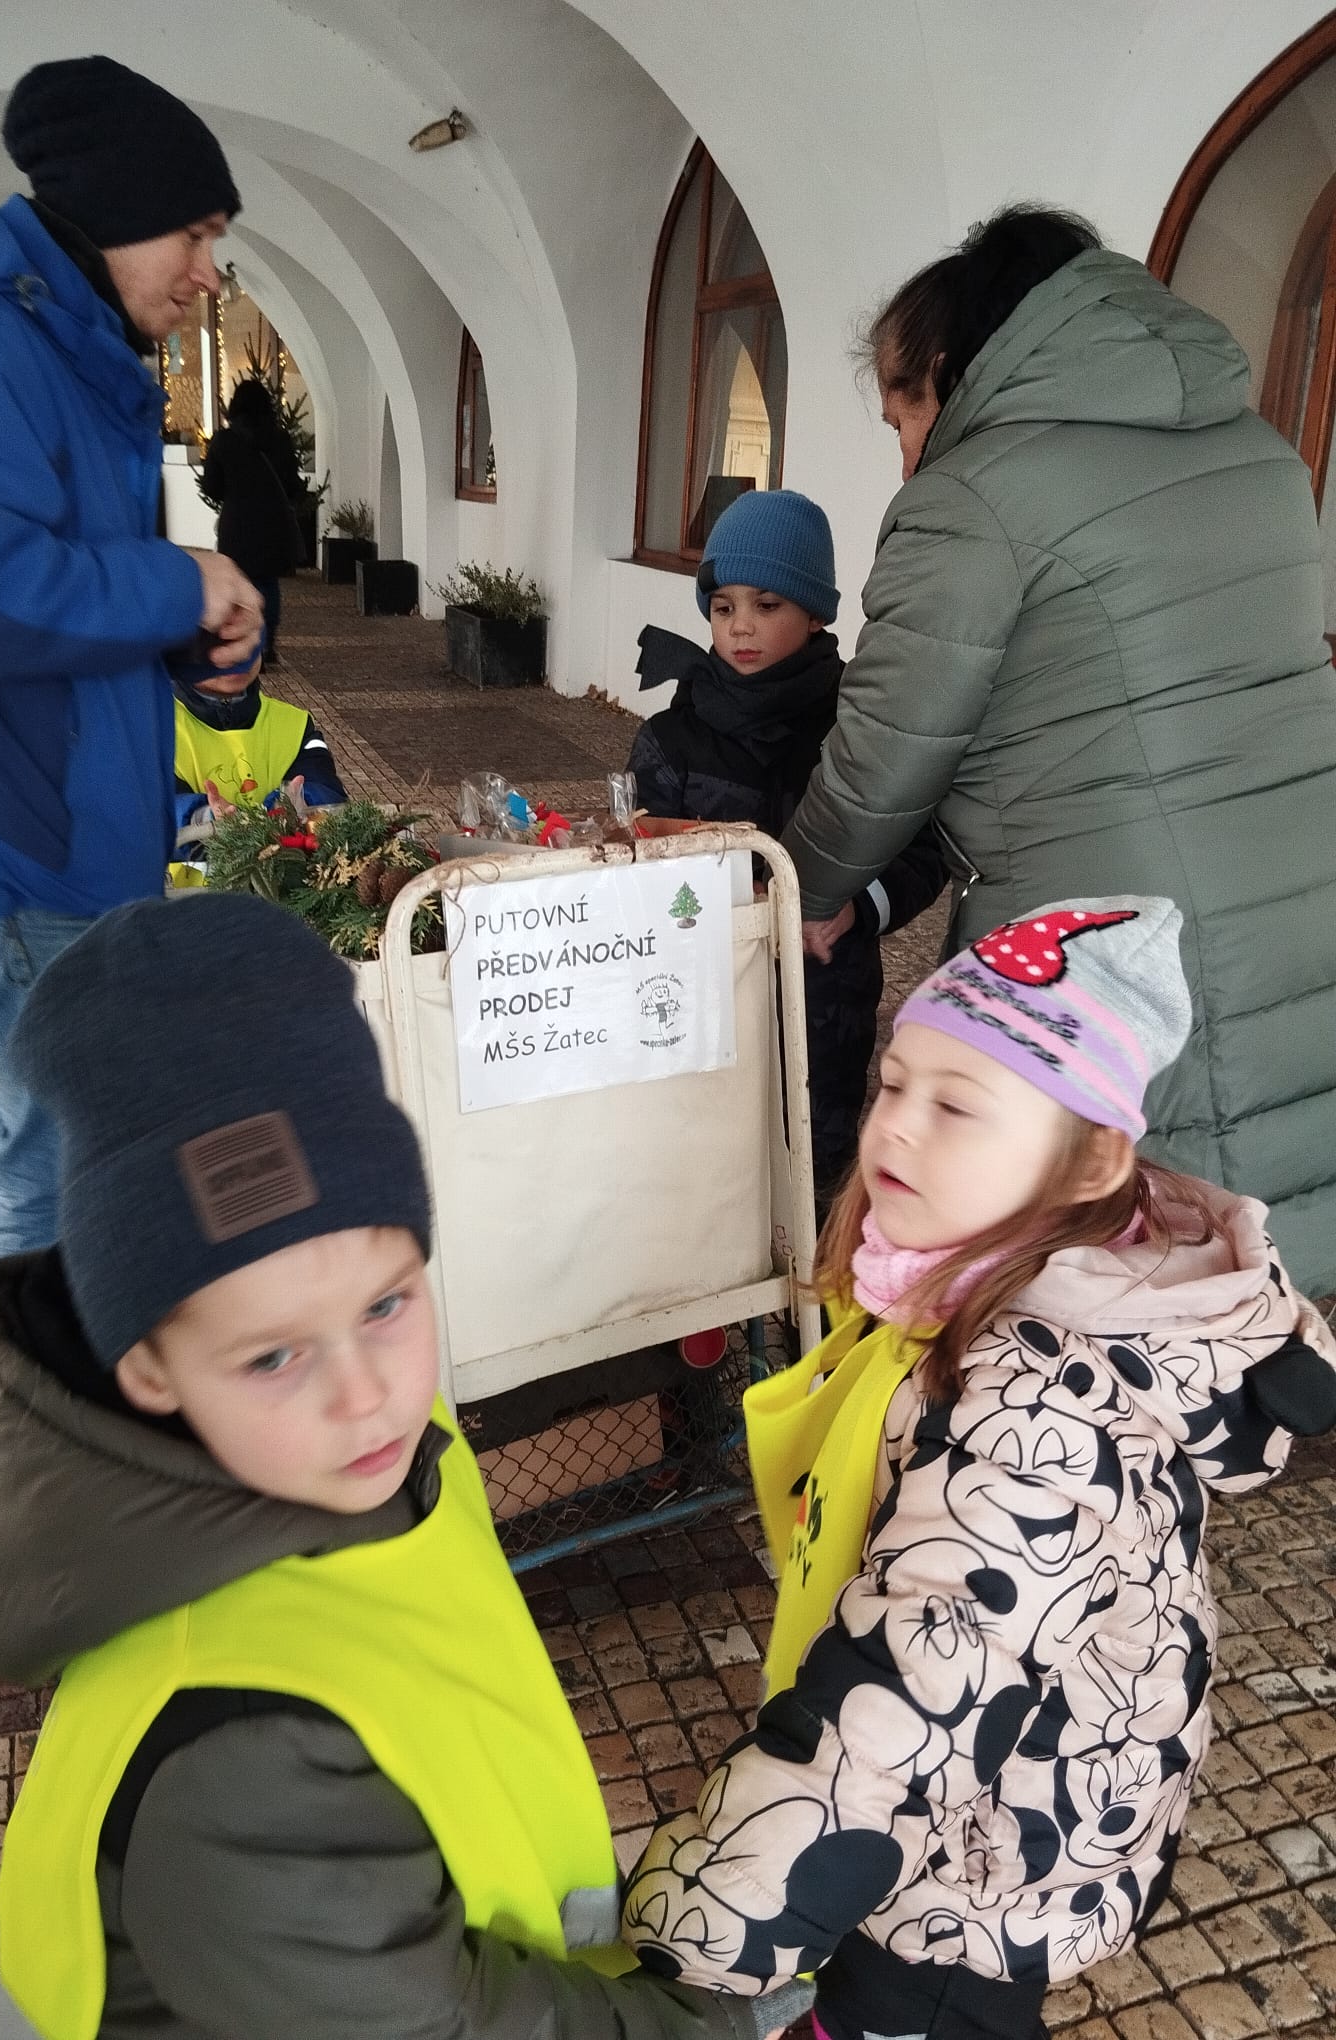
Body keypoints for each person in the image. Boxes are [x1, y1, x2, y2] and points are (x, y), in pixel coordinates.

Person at [0, 892, 808, 2040]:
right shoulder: (239, 1750)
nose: (364, 1392)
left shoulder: (361, 1460)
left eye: (386, 1304)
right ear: (149, 1369)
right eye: (274, 1355)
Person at [623, 897, 1336, 2040]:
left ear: (1091, 1159)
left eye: (956, 1105)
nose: (896, 1129)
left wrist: (709, 1915)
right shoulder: (971, 1283)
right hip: (1010, 1802)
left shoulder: (1031, 1414)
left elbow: (914, 1696)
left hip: (977, 1881)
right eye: (894, 1083)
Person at [780, 206, 1336, 1296]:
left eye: (902, 419)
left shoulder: (971, 497)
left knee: (1133, 1236)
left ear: (950, 373)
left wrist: (805, 886)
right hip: (1304, 877)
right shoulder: (1262, 454)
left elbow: (886, 750)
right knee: (1283, 1176)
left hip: (1112, 927)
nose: (906, 456)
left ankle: (1141, 1394)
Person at [0, 55, 263, 1294]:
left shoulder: (66, 354)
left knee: (23, 1129)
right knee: (75, 1146)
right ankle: (40, 1400)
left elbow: (66, 584)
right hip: (2, 843)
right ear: (114, 214)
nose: (208, 272)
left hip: (53, 836)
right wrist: (178, 586)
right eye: (194, 233)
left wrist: (187, 643)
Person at [629, 490, 943, 1199]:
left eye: (767, 604)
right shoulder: (670, 739)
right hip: (700, 1006)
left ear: (816, 613)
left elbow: (921, 846)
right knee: (702, 1181)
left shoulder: (861, 731)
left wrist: (855, 906)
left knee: (811, 1179)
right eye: (723, 607)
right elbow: (637, 866)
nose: (741, 626)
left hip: (824, 1010)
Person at [168, 641, 348, 884]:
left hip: (286, 896)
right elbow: (144, 813)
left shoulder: (294, 723)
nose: (236, 653)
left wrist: (301, 805)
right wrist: (201, 819)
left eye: (246, 637)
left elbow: (327, 791)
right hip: (181, 899)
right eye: (216, 641)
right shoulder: (149, 728)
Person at [201, 375, 307, 666]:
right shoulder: (280, 440)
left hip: (237, 525)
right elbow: (291, 484)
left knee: (239, 582)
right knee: (269, 583)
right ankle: (268, 642)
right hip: (272, 524)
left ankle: (244, 641)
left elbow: (211, 487)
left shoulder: (224, 441)